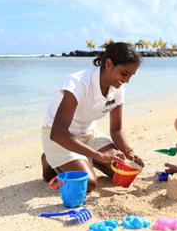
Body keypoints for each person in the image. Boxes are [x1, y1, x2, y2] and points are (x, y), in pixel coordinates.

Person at [40, 42, 144, 192]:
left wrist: (129, 152)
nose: (127, 80)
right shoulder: (79, 83)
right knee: (88, 184)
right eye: (124, 73)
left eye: (131, 75)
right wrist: (99, 155)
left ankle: (82, 158)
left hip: (88, 134)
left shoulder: (118, 89)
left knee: (122, 173)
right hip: (59, 137)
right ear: (108, 64)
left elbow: (116, 130)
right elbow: (58, 133)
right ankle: (49, 160)